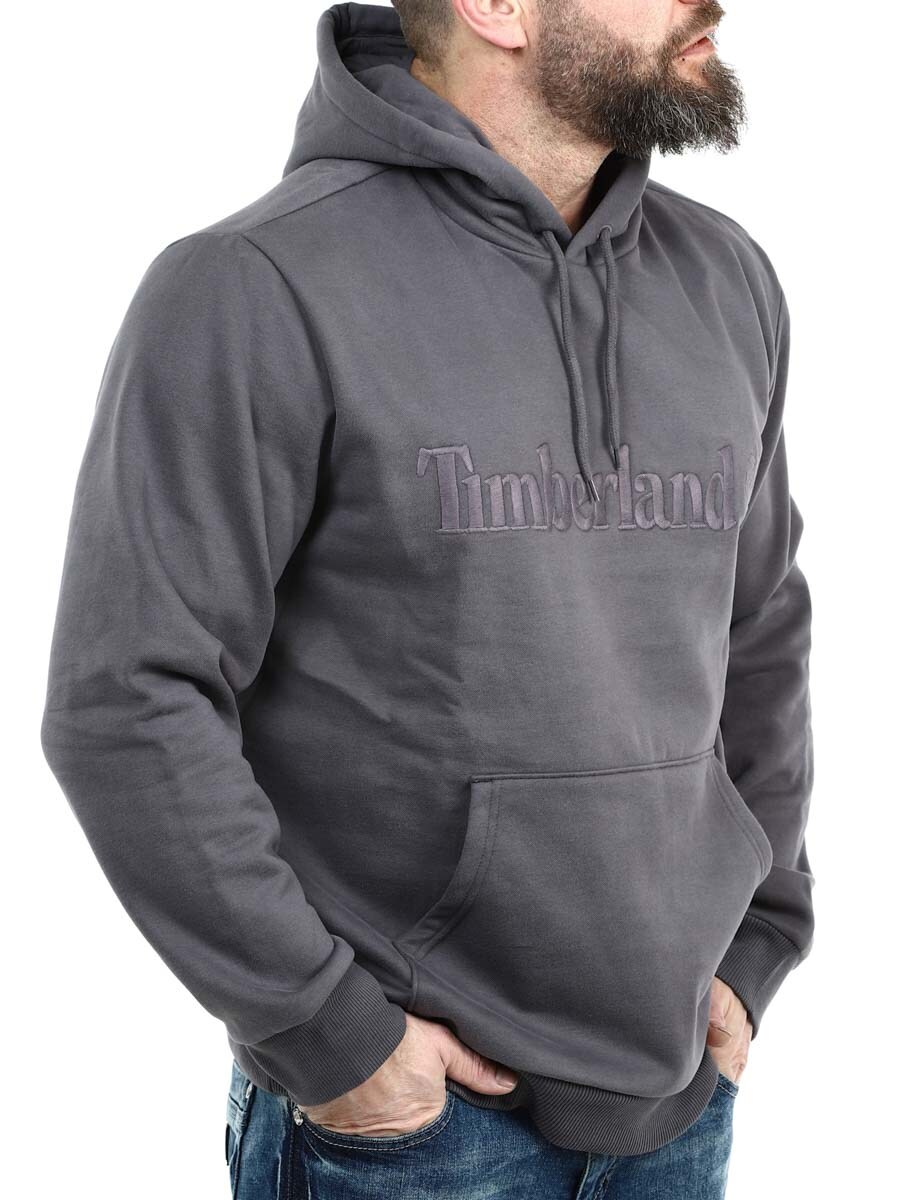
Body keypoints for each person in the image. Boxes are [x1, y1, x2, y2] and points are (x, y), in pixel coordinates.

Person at [39, 1, 816, 1196]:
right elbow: (126, 698)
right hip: (417, 1130)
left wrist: (761, 935)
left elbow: (759, 628)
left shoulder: (726, 280)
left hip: (680, 1098)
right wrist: (332, 1036)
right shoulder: (256, 286)